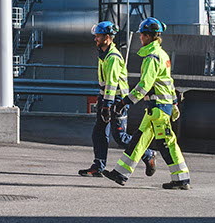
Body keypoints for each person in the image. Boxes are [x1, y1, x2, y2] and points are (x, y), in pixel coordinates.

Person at [104, 17, 192, 190]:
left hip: (157, 108)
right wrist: (174, 102)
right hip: (159, 107)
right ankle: (121, 173)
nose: (140, 38)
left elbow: (144, 86)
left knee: (166, 143)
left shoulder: (151, 58)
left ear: (148, 36)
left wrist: (123, 102)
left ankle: (181, 179)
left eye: (142, 35)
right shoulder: (162, 54)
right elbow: (168, 81)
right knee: (138, 141)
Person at [77, 22, 155, 178]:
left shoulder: (112, 57)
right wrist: (103, 102)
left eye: (98, 36)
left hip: (116, 100)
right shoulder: (103, 54)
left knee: (120, 137)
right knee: (98, 132)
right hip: (106, 97)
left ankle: (148, 154)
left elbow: (112, 84)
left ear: (107, 37)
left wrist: (107, 105)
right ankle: (98, 166)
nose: (95, 39)